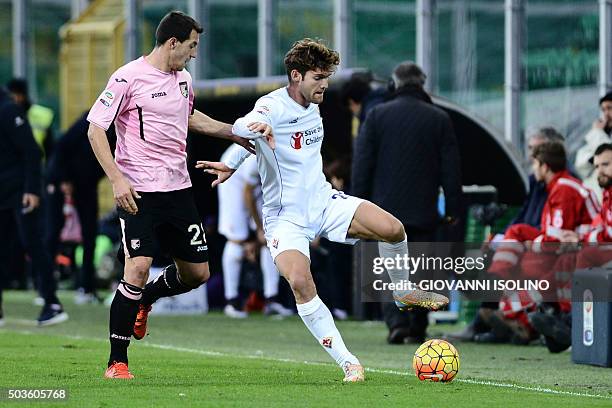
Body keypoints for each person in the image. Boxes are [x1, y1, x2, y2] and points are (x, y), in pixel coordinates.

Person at [197, 38, 449, 382]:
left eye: (327, 76)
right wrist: (252, 136)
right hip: (284, 218)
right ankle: (348, 362)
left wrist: (237, 161)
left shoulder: (313, 108)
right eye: (318, 77)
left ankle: (402, 290)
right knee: (300, 281)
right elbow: (245, 125)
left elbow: (259, 143)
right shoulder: (271, 105)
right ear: (296, 75)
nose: (325, 84)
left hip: (323, 202)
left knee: (393, 229)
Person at [86, 11, 254, 379]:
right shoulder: (127, 77)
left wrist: (235, 132)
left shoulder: (184, 79)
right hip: (138, 191)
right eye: (192, 46)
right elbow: (96, 130)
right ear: (172, 42)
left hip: (178, 191)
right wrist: (116, 179)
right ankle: (117, 362)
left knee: (197, 274)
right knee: (139, 266)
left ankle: (146, 299)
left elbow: (189, 117)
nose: (194, 54)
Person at [351, 61, 462, 344]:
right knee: (424, 268)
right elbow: (451, 170)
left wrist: (357, 206)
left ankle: (396, 322)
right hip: (424, 209)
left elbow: (362, 166)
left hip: (384, 210)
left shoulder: (376, 115)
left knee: (389, 269)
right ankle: (418, 325)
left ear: (395, 84)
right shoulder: (439, 118)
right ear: (421, 84)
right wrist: (452, 210)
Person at [482, 142, 599, 344]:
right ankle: (502, 284)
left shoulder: (564, 190)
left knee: (533, 265)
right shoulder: (560, 187)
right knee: (517, 232)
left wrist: (533, 245)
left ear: (545, 166)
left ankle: (517, 315)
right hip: (575, 249)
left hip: (584, 252)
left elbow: (558, 241)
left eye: (535, 164)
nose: (533, 169)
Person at [0, 86, 68, 326]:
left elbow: (31, 151)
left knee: (33, 245)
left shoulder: (8, 110)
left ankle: (52, 302)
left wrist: (31, 189)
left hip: (20, 192)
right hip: (5, 192)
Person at [45, 112, 116, 304]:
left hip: (86, 184)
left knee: (90, 234)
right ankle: (44, 286)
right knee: (53, 233)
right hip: (61, 180)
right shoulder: (93, 118)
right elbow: (62, 147)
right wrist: (64, 179)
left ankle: (86, 288)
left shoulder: (126, 126)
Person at [217, 144, 292, 318]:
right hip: (233, 182)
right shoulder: (258, 154)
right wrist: (258, 228)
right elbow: (247, 192)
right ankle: (231, 302)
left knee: (269, 238)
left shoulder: (282, 148)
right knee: (236, 238)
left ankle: (271, 299)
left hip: (254, 187)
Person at [575, 92, 612, 200]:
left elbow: (607, 153)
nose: (606, 114)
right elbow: (580, 164)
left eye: (609, 108)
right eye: (603, 110)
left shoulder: (598, 134)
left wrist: (597, 133)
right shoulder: (602, 133)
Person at [6, 78, 55, 160]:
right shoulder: (6, 115)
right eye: (13, 96)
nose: (17, 99)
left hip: (37, 167)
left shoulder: (42, 115)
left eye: (19, 95)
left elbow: (49, 147)